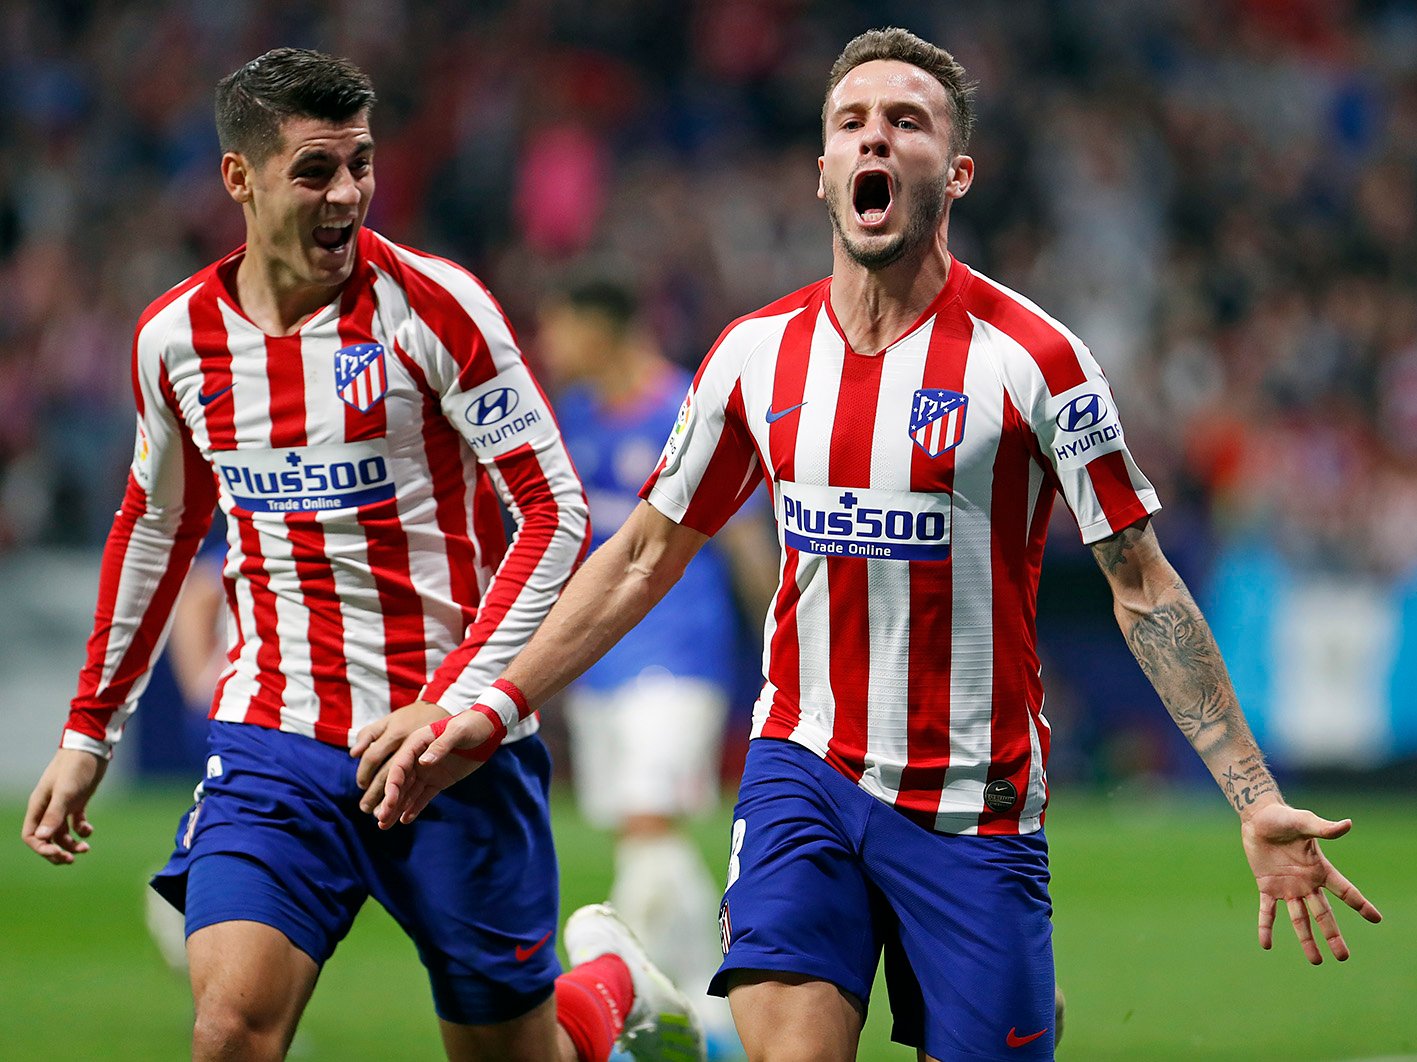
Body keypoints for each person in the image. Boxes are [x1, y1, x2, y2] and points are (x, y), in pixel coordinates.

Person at [376, 27, 1383, 1062]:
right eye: (852, 123)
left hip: (973, 807)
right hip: (803, 769)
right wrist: (490, 708)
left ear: (955, 172)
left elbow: (1142, 583)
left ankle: (668, 1022)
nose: (876, 140)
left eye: (907, 122)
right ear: (823, 173)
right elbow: (641, 555)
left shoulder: (1036, 361)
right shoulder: (753, 357)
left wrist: (1256, 801)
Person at [20, 47, 703, 1062]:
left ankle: (612, 997)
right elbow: (155, 526)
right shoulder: (175, 340)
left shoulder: (434, 310)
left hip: (450, 748)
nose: (346, 194)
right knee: (230, 1030)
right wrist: (88, 732)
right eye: (314, 170)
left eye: (361, 164)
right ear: (238, 179)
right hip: (275, 741)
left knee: (512, 1054)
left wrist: (465, 705)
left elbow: (554, 514)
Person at [538, 279, 779, 1058]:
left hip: (677, 661)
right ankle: (699, 1007)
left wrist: (784, 641)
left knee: (648, 821)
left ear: (602, 326)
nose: (549, 345)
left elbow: (744, 541)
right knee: (640, 834)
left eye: (560, 325)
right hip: (599, 668)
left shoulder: (687, 409)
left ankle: (686, 1013)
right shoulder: (574, 420)